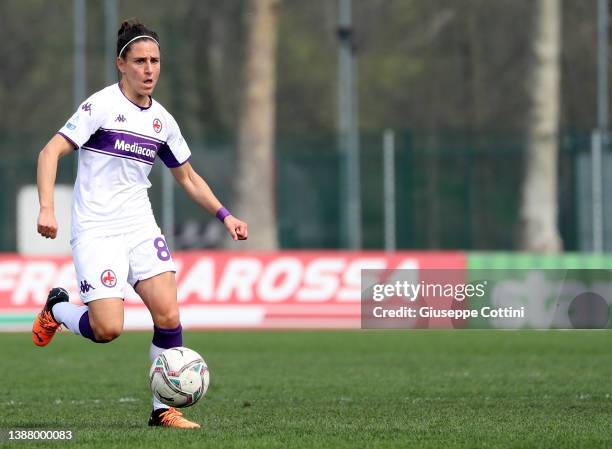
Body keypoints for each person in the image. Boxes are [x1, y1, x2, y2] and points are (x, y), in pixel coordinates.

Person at [32, 19, 248, 429]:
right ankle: (58, 309)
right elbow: (49, 152)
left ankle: (162, 409)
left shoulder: (162, 121)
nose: (149, 69)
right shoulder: (100, 107)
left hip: (139, 226)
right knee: (108, 328)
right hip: (95, 228)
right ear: (121, 64)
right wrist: (47, 208)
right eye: (140, 61)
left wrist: (226, 215)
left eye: (155, 61)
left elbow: (187, 177)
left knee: (168, 315)